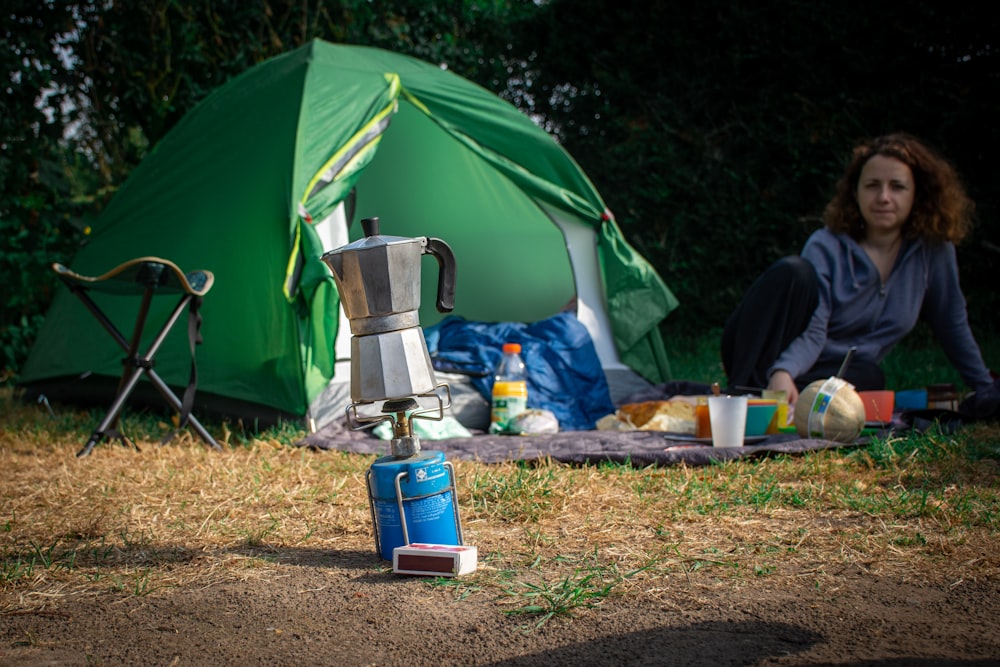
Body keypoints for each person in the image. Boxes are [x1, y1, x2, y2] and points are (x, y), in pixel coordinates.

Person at [721, 133, 998, 416]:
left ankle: (783, 397)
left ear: (918, 194)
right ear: (856, 192)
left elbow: (951, 321)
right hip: (771, 352)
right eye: (872, 185)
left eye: (898, 187)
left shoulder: (934, 251)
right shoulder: (825, 244)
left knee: (869, 377)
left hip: (835, 370)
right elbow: (816, 328)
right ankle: (743, 392)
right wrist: (783, 369)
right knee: (794, 272)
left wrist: (984, 385)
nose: (883, 197)